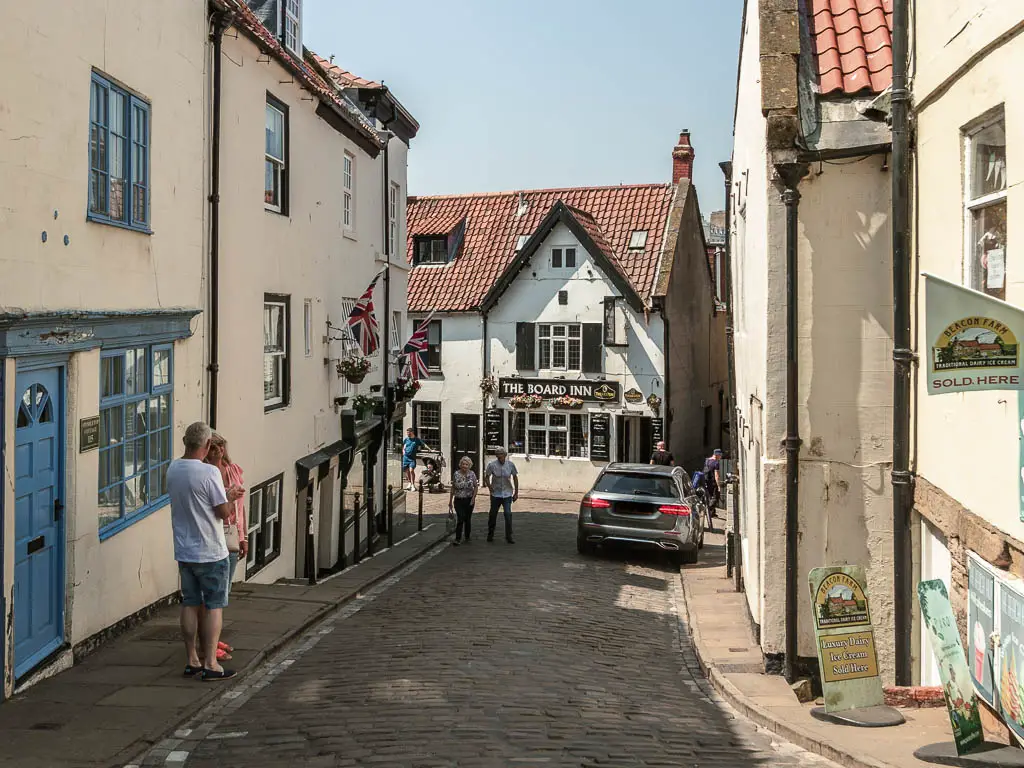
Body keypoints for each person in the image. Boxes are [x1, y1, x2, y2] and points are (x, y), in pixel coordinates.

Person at [167, 422, 243, 682]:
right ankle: (211, 664)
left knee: (189, 603)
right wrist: (230, 497)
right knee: (213, 606)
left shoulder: (173, 468)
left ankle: (192, 660)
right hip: (210, 551)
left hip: (184, 550)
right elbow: (222, 513)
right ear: (207, 445)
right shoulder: (209, 472)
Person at [204, 433, 247, 661]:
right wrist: (227, 496)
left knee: (223, 593)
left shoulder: (232, 470)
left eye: (221, 446)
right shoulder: (206, 474)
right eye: (213, 447)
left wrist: (243, 536)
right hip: (214, 537)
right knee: (211, 595)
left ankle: (213, 637)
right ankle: (208, 646)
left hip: (231, 537)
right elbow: (217, 508)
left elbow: (240, 508)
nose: (218, 450)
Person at [484, 446, 519, 543]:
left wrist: (516, 492)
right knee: (493, 514)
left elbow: (515, 477)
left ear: (505, 455)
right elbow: (486, 477)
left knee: (508, 514)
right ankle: (490, 533)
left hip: (507, 493)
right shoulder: (492, 465)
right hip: (496, 493)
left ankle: (509, 535)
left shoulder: (510, 465)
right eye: (497, 454)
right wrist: (490, 487)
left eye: (501, 454)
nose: (499, 456)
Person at [448, 455, 478, 545]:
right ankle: (458, 538)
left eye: (467, 464)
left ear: (469, 466)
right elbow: (453, 487)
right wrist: (450, 501)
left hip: (469, 499)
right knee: (460, 518)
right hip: (459, 500)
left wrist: (473, 498)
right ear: (460, 465)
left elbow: (475, 487)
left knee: (467, 519)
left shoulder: (472, 474)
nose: (465, 466)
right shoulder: (456, 474)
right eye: (463, 464)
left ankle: (467, 536)